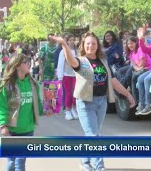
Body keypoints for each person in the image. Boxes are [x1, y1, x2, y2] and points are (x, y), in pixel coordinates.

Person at [50, 32, 135, 171]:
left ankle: (84, 162)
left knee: (92, 134)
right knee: (94, 136)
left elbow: (113, 80)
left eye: (94, 43)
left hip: (101, 102)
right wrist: (64, 44)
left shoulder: (103, 60)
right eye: (88, 43)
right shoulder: (80, 61)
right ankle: (99, 166)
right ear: (83, 45)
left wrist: (127, 94)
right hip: (85, 103)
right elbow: (71, 61)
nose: (91, 46)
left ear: (98, 45)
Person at [0, 54, 43, 171]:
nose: (29, 64)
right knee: (12, 161)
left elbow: (37, 102)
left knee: (20, 161)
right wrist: (3, 125)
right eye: (25, 62)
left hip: (27, 129)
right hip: (12, 129)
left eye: (29, 61)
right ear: (17, 66)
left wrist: (45, 111)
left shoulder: (32, 83)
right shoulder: (6, 85)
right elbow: (1, 107)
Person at [115, 36, 151, 100]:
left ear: (136, 43)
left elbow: (143, 64)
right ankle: (122, 91)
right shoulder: (130, 52)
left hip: (148, 68)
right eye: (128, 44)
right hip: (140, 69)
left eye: (132, 43)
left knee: (133, 76)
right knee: (123, 72)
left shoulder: (140, 50)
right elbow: (133, 64)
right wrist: (137, 69)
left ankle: (131, 96)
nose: (130, 45)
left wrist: (137, 69)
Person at [57, 34, 78, 120]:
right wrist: (60, 77)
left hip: (76, 76)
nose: (72, 42)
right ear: (67, 41)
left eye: (73, 40)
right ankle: (68, 110)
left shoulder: (77, 51)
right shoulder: (63, 51)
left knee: (75, 94)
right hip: (67, 75)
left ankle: (73, 108)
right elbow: (61, 64)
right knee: (69, 93)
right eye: (70, 40)